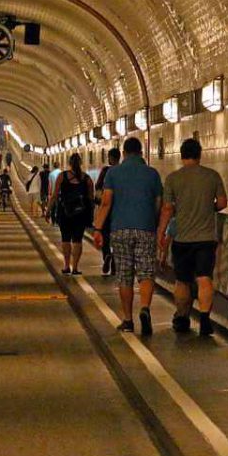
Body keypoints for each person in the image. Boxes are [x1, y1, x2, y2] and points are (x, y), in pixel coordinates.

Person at [157, 138, 227, 336]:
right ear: (199, 154)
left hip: (182, 239)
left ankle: (182, 317)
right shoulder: (212, 176)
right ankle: (205, 320)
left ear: (181, 155)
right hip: (206, 238)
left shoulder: (173, 178)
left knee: (182, 280)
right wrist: (208, 208)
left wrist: (161, 232)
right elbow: (222, 203)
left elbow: (168, 209)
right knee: (204, 278)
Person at [92, 138, 162, 335]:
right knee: (146, 271)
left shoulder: (113, 173)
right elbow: (158, 203)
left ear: (123, 153)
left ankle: (128, 319)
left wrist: (98, 228)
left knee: (125, 274)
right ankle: (145, 308)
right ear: (141, 152)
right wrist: (153, 223)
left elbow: (106, 202)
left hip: (120, 229)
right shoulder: (152, 174)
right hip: (146, 228)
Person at [50, 152, 94, 275]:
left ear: (69, 163)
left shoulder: (62, 176)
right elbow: (91, 198)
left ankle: (66, 265)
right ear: (80, 163)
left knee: (65, 239)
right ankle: (75, 267)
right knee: (77, 240)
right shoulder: (87, 178)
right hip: (80, 214)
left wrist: (48, 210)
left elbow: (54, 195)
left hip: (65, 212)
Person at [95, 147, 121, 277]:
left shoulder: (106, 171)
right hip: (119, 211)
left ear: (110, 158)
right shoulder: (123, 172)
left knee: (105, 237)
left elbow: (98, 188)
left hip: (107, 211)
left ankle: (107, 255)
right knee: (117, 238)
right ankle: (115, 264)